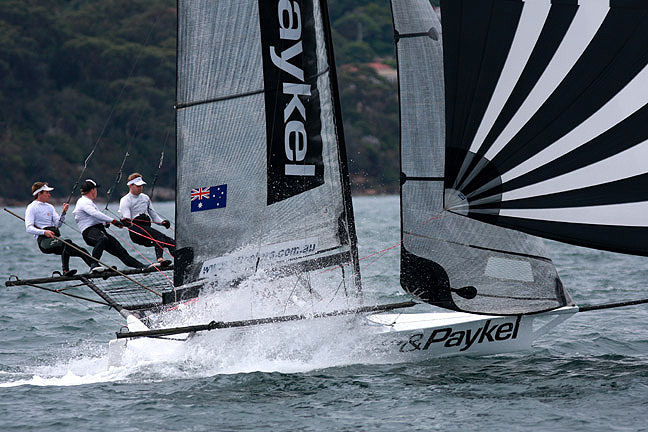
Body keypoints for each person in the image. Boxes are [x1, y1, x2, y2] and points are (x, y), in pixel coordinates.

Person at [73, 179, 148, 272]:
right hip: (89, 232)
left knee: (121, 252)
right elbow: (94, 214)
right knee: (102, 239)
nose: (96, 192)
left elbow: (95, 217)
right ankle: (93, 265)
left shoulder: (89, 202)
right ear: (92, 190)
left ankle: (142, 267)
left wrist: (105, 223)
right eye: (96, 189)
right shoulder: (83, 201)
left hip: (99, 231)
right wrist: (112, 221)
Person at [25, 181, 96, 276]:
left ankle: (96, 267)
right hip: (44, 242)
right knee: (67, 242)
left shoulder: (50, 207)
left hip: (55, 238)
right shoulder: (31, 207)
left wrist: (63, 212)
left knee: (82, 251)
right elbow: (29, 228)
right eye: (47, 193)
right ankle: (65, 271)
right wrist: (44, 232)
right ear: (39, 194)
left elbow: (58, 224)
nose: (49, 195)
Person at [119, 173, 174, 265]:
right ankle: (160, 260)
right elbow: (127, 218)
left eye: (141, 185)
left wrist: (162, 222)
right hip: (136, 231)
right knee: (159, 237)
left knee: (171, 242)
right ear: (130, 185)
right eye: (138, 186)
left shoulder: (145, 198)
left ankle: (179, 259)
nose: (140, 188)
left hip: (146, 229)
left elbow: (154, 216)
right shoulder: (125, 200)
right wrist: (126, 221)